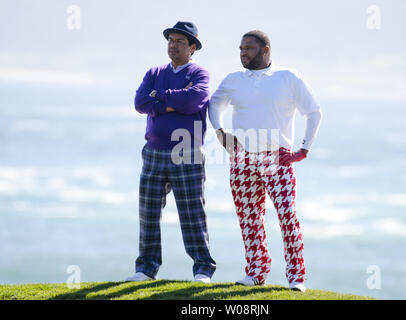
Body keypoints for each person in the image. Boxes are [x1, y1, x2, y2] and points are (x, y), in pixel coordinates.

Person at [208, 30, 322, 291]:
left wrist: (303, 150)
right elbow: (214, 105)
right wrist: (220, 133)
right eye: (240, 48)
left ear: (266, 50)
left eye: (248, 48)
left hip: (277, 158)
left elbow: (314, 112)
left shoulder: (287, 77)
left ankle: (296, 277)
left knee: (287, 216)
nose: (243, 53)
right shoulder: (234, 79)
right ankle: (256, 272)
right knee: (249, 218)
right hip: (242, 160)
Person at [126, 21, 216, 283]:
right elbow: (140, 102)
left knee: (191, 213)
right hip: (154, 152)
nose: (172, 45)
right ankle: (146, 268)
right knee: (149, 212)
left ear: (192, 48)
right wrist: (169, 104)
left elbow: (192, 100)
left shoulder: (200, 74)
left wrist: (160, 97)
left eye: (179, 41)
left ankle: (202, 269)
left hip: (186, 151)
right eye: (170, 40)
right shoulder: (154, 71)